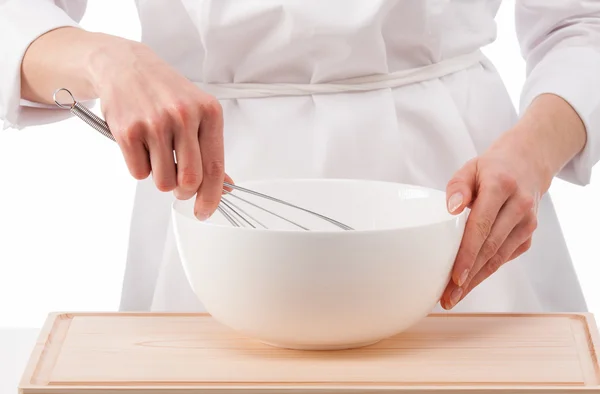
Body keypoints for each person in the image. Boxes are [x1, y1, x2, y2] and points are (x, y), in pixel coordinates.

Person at [1, 0, 599, 314]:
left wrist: (532, 152)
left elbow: (583, 24)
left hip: (463, 210)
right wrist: (107, 60)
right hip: (214, 221)